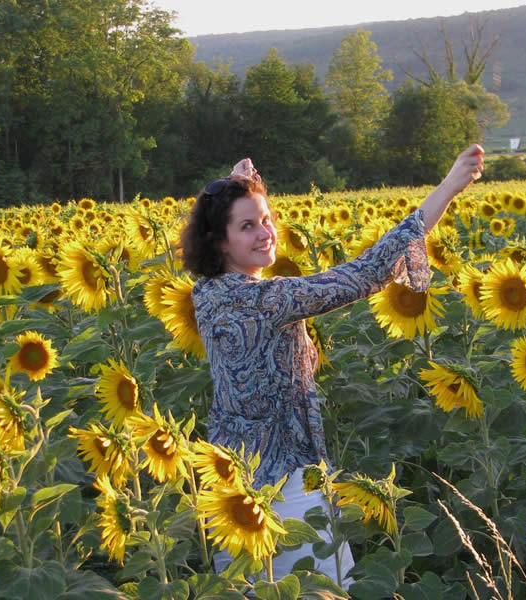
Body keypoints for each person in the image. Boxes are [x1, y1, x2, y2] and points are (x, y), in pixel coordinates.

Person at [180, 145, 484, 584]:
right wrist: (449, 188)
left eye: (266, 220)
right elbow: (365, 272)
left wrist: (234, 189)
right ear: (219, 241)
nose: (265, 232)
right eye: (247, 227)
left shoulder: (207, 293)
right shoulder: (269, 300)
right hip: (282, 490)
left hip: (229, 483)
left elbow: (226, 239)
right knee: (320, 588)